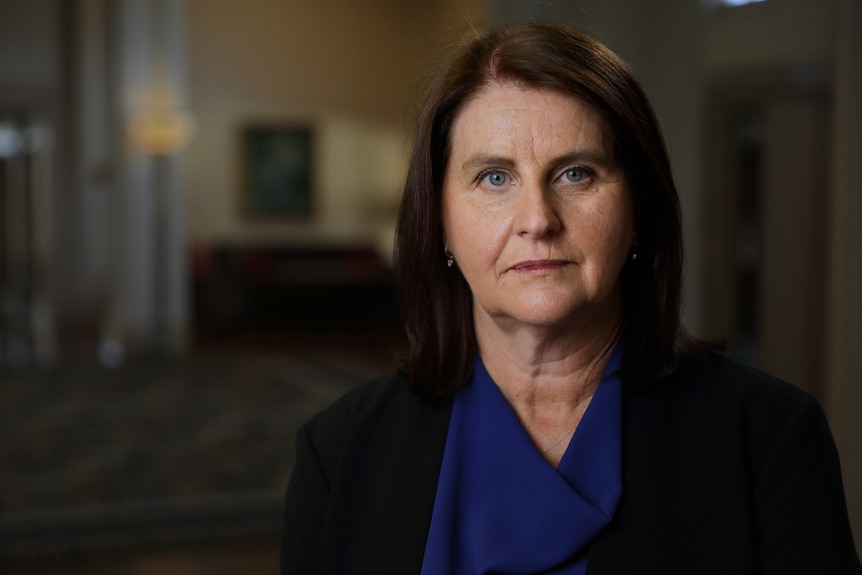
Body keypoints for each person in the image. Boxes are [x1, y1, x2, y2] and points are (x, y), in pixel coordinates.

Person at [281, 22, 861, 574]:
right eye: (494, 177)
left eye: (576, 174)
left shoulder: (767, 438)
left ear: (638, 209)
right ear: (439, 222)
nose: (537, 219)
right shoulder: (338, 452)